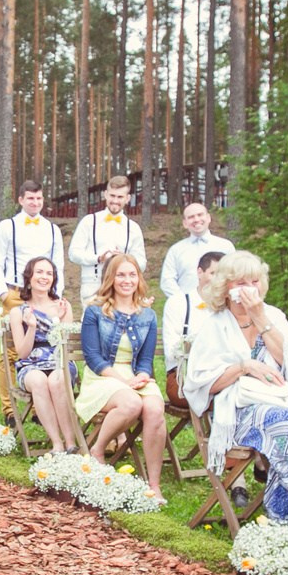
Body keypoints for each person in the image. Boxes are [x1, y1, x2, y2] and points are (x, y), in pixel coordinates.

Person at [185, 252, 288, 540]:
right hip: (234, 413)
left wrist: (260, 318)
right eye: (241, 282)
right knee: (287, 422)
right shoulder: (214, 325)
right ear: (226, 287)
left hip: (279, 408)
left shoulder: (273, 317)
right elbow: (202, 384)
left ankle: (281, 526)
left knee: (284, 424)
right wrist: (244, 367)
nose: (249, 288)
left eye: (255, 281)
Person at [74, 252, 166, 497]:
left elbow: (145, 360)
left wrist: (142, 376)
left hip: (134, 375)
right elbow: (93, 358)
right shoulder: (95, 311)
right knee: (131, 403)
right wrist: (124, 381)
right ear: (110, 279)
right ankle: (97, 449)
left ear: (139, 278)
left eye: (132, 275)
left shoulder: (148, 315)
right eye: (121, 275)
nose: (127, 280)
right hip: (104, 376)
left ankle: (154, 485)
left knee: (155, 410)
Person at [7, 255, 83, 454]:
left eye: (49, 273)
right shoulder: (18, 312)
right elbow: (22, 353)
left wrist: (58, 320)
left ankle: (70, 443)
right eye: (39, 272)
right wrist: (31, 327)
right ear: (29, 277)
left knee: (57, 380)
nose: (44, 277)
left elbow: (65, 346)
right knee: (39, 381)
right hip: (30, 364)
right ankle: (56, 443)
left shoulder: (63, 306)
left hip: (59, 360)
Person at [69, 173, 146, 302]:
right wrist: (98, 258)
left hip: (122, 289)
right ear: (105, 194)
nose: (115, 200)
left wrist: (124, 259)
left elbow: (142, 263)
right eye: (112, 196)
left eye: (120, 197)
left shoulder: (133, 228)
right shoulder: (89, 222)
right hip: (93, 287)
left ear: (127, 198)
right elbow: (73, 254)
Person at [0, 178, 66, 300]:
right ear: (21, 200)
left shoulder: (53, 229)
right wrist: (3, 293)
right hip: (15, 293)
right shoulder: (7, 226)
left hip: (44, 295)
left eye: (38, 198)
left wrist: (57, 294)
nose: (35, 202)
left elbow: (58, 267)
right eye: (30, 198)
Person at [163, 249, 228, 377]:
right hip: (184, 373)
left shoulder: (230, 305)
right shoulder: (178, 303)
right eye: (213, 273)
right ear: (199, 272)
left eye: (223, 275)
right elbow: (171, 352)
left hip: (223, 373)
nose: (218, 280)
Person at [157, 202, 234, 300]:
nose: (196, 219)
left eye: (200, 215)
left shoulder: (225, 246)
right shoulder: (176, 250)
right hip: (186, 305)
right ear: (185, 223)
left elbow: (234, 275)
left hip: (219, 303)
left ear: (208, 218)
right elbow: (167, 281)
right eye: (191, 217)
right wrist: (184, 300)